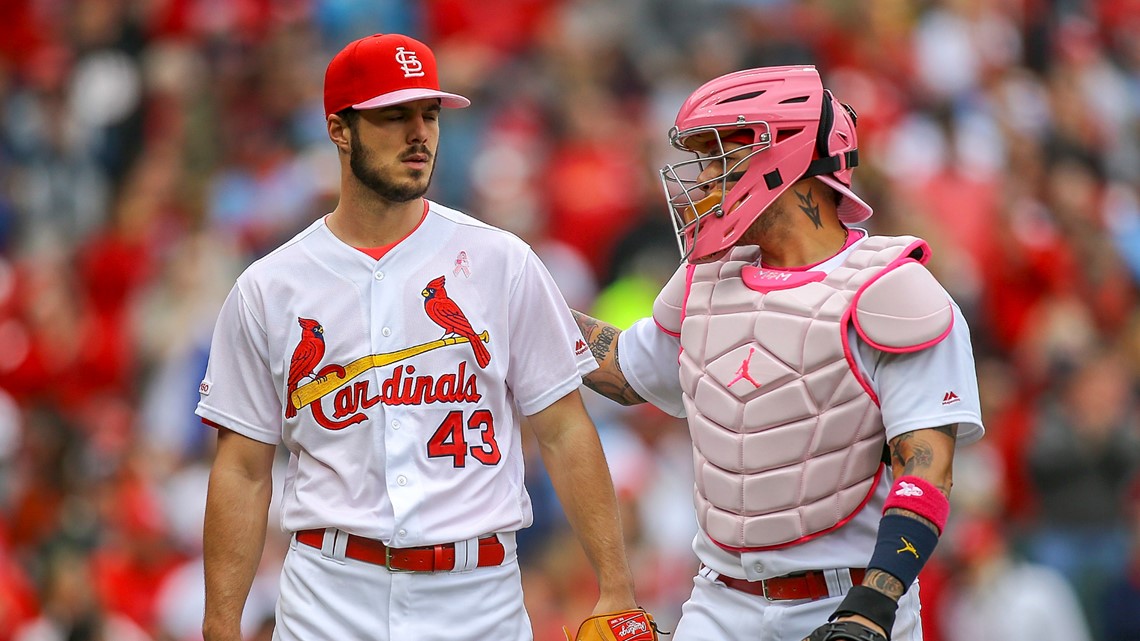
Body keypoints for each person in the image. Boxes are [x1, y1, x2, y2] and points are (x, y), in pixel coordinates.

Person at [196, 33, 640, 641]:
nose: (419, 134)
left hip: (477, 596)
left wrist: (615, 587)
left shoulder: (499, 260)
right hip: (330, 594)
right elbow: (243, 469)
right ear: (339, 129)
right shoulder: (269, 287)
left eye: (429, 114)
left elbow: (563, 429)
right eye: (393, 115)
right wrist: (221, 625)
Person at [573, 65, 985, 641]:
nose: (704, 181)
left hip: (847, 599)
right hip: (718, 602)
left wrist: (874, 605)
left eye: (722, 159)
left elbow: (927, 470)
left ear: (785, 157)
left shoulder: (893, 290)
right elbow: (625, 370)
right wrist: (520, 296)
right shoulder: (704, 279)